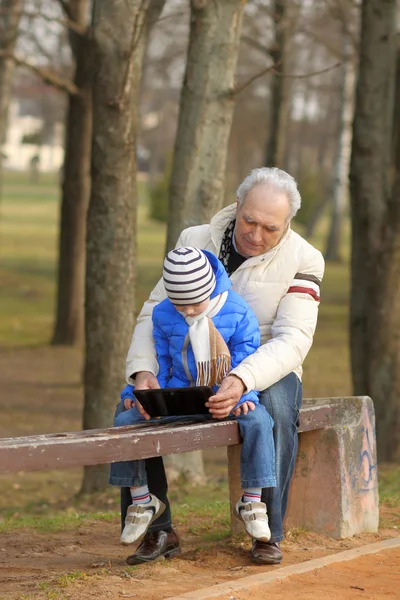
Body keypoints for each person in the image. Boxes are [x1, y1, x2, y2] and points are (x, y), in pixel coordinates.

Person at [123, 167, 325, 566]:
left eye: (270, 227)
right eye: (249, 220)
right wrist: (143, 372)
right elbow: (154, 312)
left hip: (264, 362)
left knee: (279, 412)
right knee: (137, 407)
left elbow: (293, 340)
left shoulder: (306, 259)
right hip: (186, 360)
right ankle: (157, 527)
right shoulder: (194, 240)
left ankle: (268, 532)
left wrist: (241, 377)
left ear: (287, 225)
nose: (256, 234)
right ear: (237, 206)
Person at [110, 247, 276, 549]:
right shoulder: (162, 314)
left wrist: (244, 393)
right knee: (124, 419)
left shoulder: (237, 312)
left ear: (210, 288)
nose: (187, 311)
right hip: (179, 396)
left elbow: (246, 358)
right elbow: (159, 360)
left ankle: (252, 501)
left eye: (194, 303)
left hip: (225, 398)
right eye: (179, 304)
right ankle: (142, 500)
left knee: (260, 421)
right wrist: (137, 391)